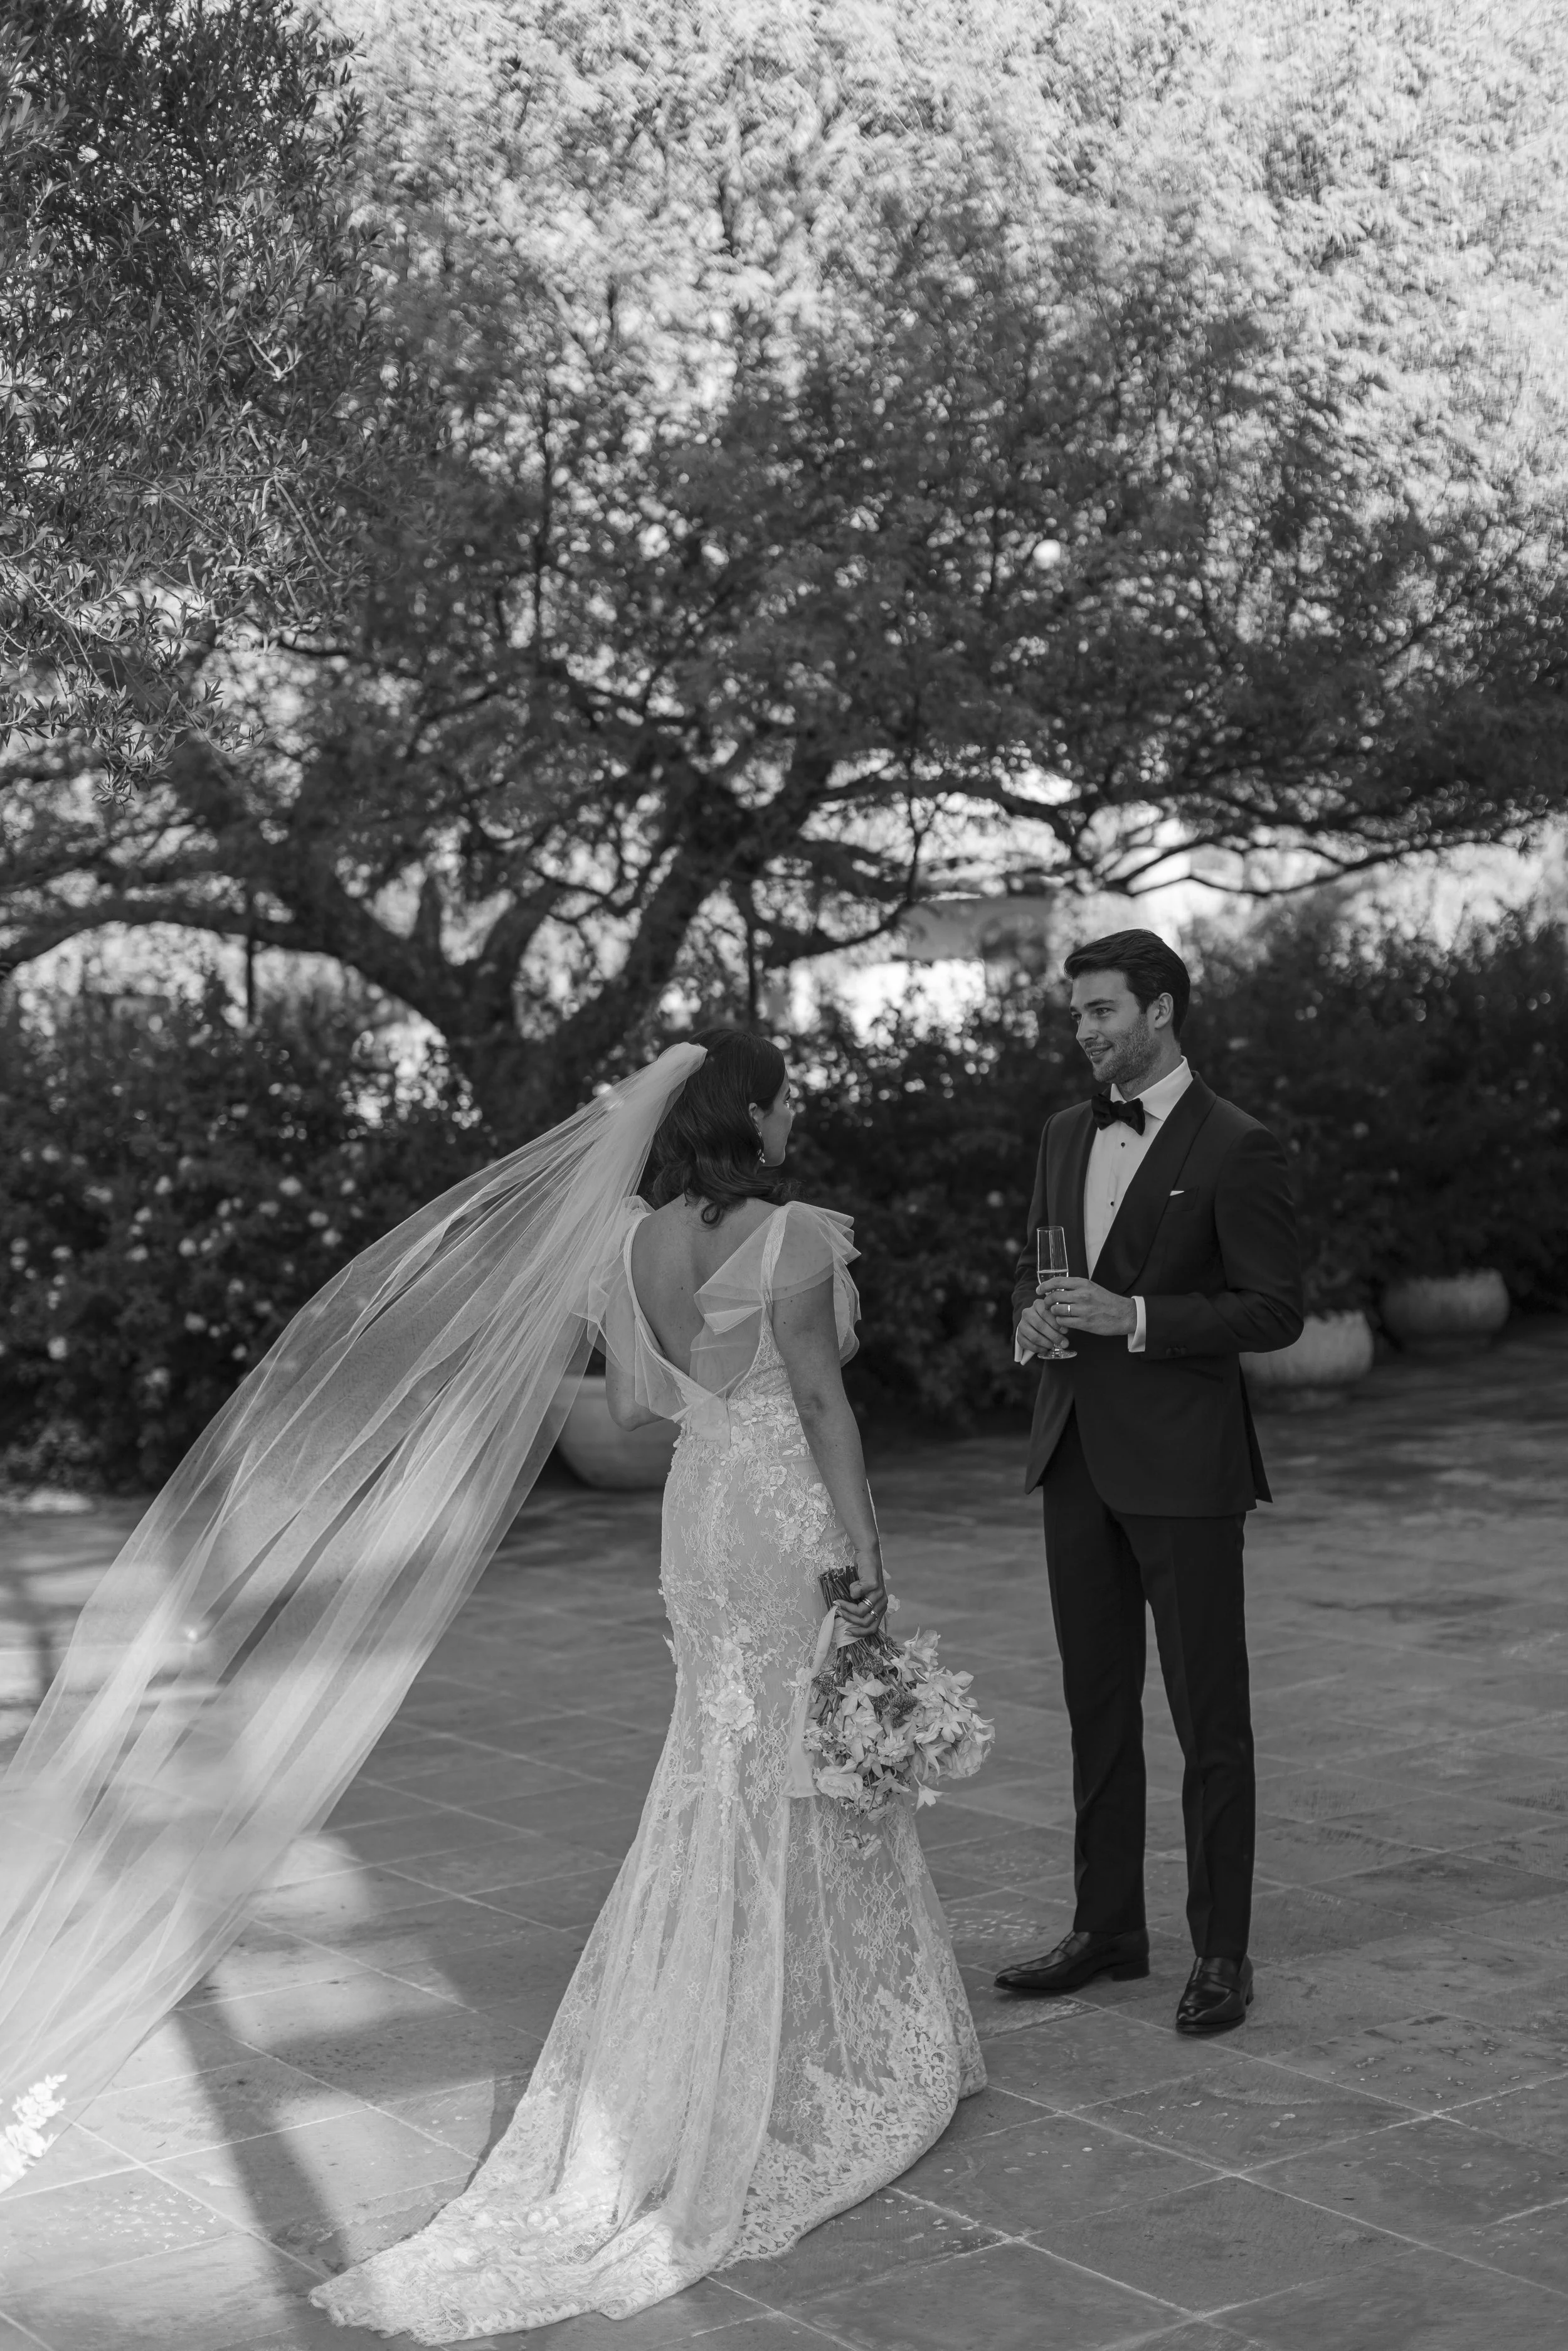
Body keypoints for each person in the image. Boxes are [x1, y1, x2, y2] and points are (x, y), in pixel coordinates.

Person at [312, 1029, 983, 2341]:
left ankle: (704, 2010)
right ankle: (814, 2037)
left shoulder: (629, 1240)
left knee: (714, 1757)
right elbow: (823, 1402)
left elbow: (641, 1399)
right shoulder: (789, 1233)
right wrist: (864, 1547)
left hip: (695, 1512)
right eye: (786, 1099)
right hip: (778, 1508)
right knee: (808, 1752)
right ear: (754, 1112)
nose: (795, 1117)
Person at [993, 933, 1302, 2034]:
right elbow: (1039, 1261)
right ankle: (1108, 1927)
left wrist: (1134, 1319)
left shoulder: (1239, 1146)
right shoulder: (1063, 1133)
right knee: (1096, 1706)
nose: (1085, 1032)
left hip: (1184, 1466)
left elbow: (1275, 1311)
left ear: (1161, 1011)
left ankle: (1222, 1949)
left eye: (1103, 1012)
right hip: (1074, 1451)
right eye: (1078, 1014)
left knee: (1209, 1716)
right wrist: (1034, 1313)